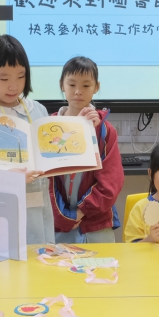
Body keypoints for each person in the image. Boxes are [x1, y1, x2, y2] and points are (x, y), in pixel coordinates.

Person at [0, 35, 92, 261]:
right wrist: (8, 178)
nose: (14, 86)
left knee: (36, 266)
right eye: (4, 78)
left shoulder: (37, 110)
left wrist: (82, 131)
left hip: (35, 211)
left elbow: (53, 152)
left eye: (21, 76)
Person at [49, 56, 124, 243]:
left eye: (86, 85)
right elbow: (46, 180)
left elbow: (111, 181)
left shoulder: (105, 130)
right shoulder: (49, 127)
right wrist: (64, 216)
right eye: (72, 84)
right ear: (61, 85)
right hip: (56, 223)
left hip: (95, 225)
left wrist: (81, 212)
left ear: (96, 87)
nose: (78, 91)